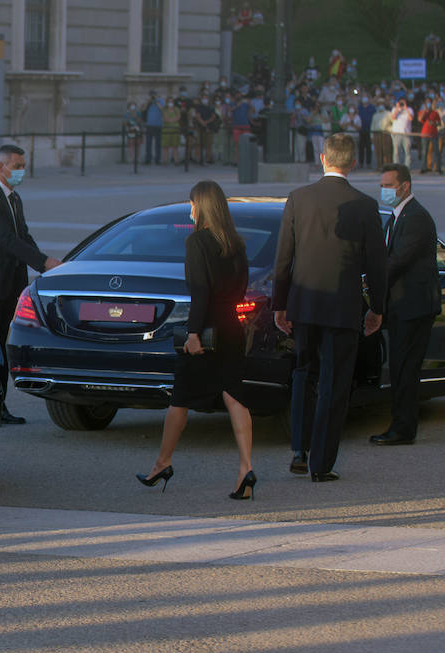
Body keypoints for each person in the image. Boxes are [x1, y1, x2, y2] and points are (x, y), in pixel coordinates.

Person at [273, 134, 386, 482]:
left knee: (303, 375)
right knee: (334, 384)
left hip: (304, 305)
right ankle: (321, 464)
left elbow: (284, 258)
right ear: (353, 163)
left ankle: (298, 450)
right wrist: (377, 308)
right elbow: (377, 265)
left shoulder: (298, 199)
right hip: (342, 308)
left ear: (322, 158)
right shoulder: (366, 206)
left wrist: (280, 304)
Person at [136, 181, 255, 500]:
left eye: (192, 204)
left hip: (206, 328)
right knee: (234, 394)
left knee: (180, 397)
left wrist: (192, 333)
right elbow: (242, 289)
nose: (190, 210)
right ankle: (246, 469)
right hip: (231, 324)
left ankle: (162, 462)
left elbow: (200, 291)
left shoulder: (197, 242)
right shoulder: (237, 244)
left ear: (201, 206)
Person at [0, 144, 60, 424]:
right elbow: (6, 239)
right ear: (1, 167)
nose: (21, 171)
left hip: (11, 282)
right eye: (16, 166)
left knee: (2, 344)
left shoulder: (14, 198)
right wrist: (42, 262)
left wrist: (45, 264)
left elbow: (23, 235)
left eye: (23, 166)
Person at [370, 164, 441, 447]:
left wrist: (368, 279)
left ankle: (403, 428)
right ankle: (400, 424)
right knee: (399, 367)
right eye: (382, 185)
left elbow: (398, 261)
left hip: (414, 308)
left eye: (389, 185)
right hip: (401, 307)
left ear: (405, 187)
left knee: (406, 369)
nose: (384, 191)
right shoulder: (396, 217)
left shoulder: (416, 218)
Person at [143, 91, 164, 165]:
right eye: (151, 95)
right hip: (149, 125)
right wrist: (149, 101)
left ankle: (157, 159)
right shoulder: (148, 102)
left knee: (158, 143)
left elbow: (162, 109)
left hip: (158, 125)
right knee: (148, 143)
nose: (152, 96)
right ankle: (148, 159)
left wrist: (156, 101)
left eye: (154, 95)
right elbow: (143, 109)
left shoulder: (160, 101)